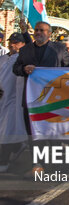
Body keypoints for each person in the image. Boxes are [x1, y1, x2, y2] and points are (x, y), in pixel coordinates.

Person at [13, 21, 69, 177]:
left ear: (49, 33)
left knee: (53, 132)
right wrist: (24, 69)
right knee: (33, 132)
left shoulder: (59, 49)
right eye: (37, 30)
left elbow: (68, 68)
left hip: (53, 100)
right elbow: (16, 69)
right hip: (31, 99)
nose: (38, 32)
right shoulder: (25, 50)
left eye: (42, 30)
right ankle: (37, 163)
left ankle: (54, 162)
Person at [0, 32, 28, 173]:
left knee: (7, 128)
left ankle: (4, 160)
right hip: (2, 99)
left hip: (14, 99)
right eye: (11, 41)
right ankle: (18, 146)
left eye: (16, 42)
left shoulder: (22, 59)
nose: (12, 45)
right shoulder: (3, 58)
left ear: (22, 44)